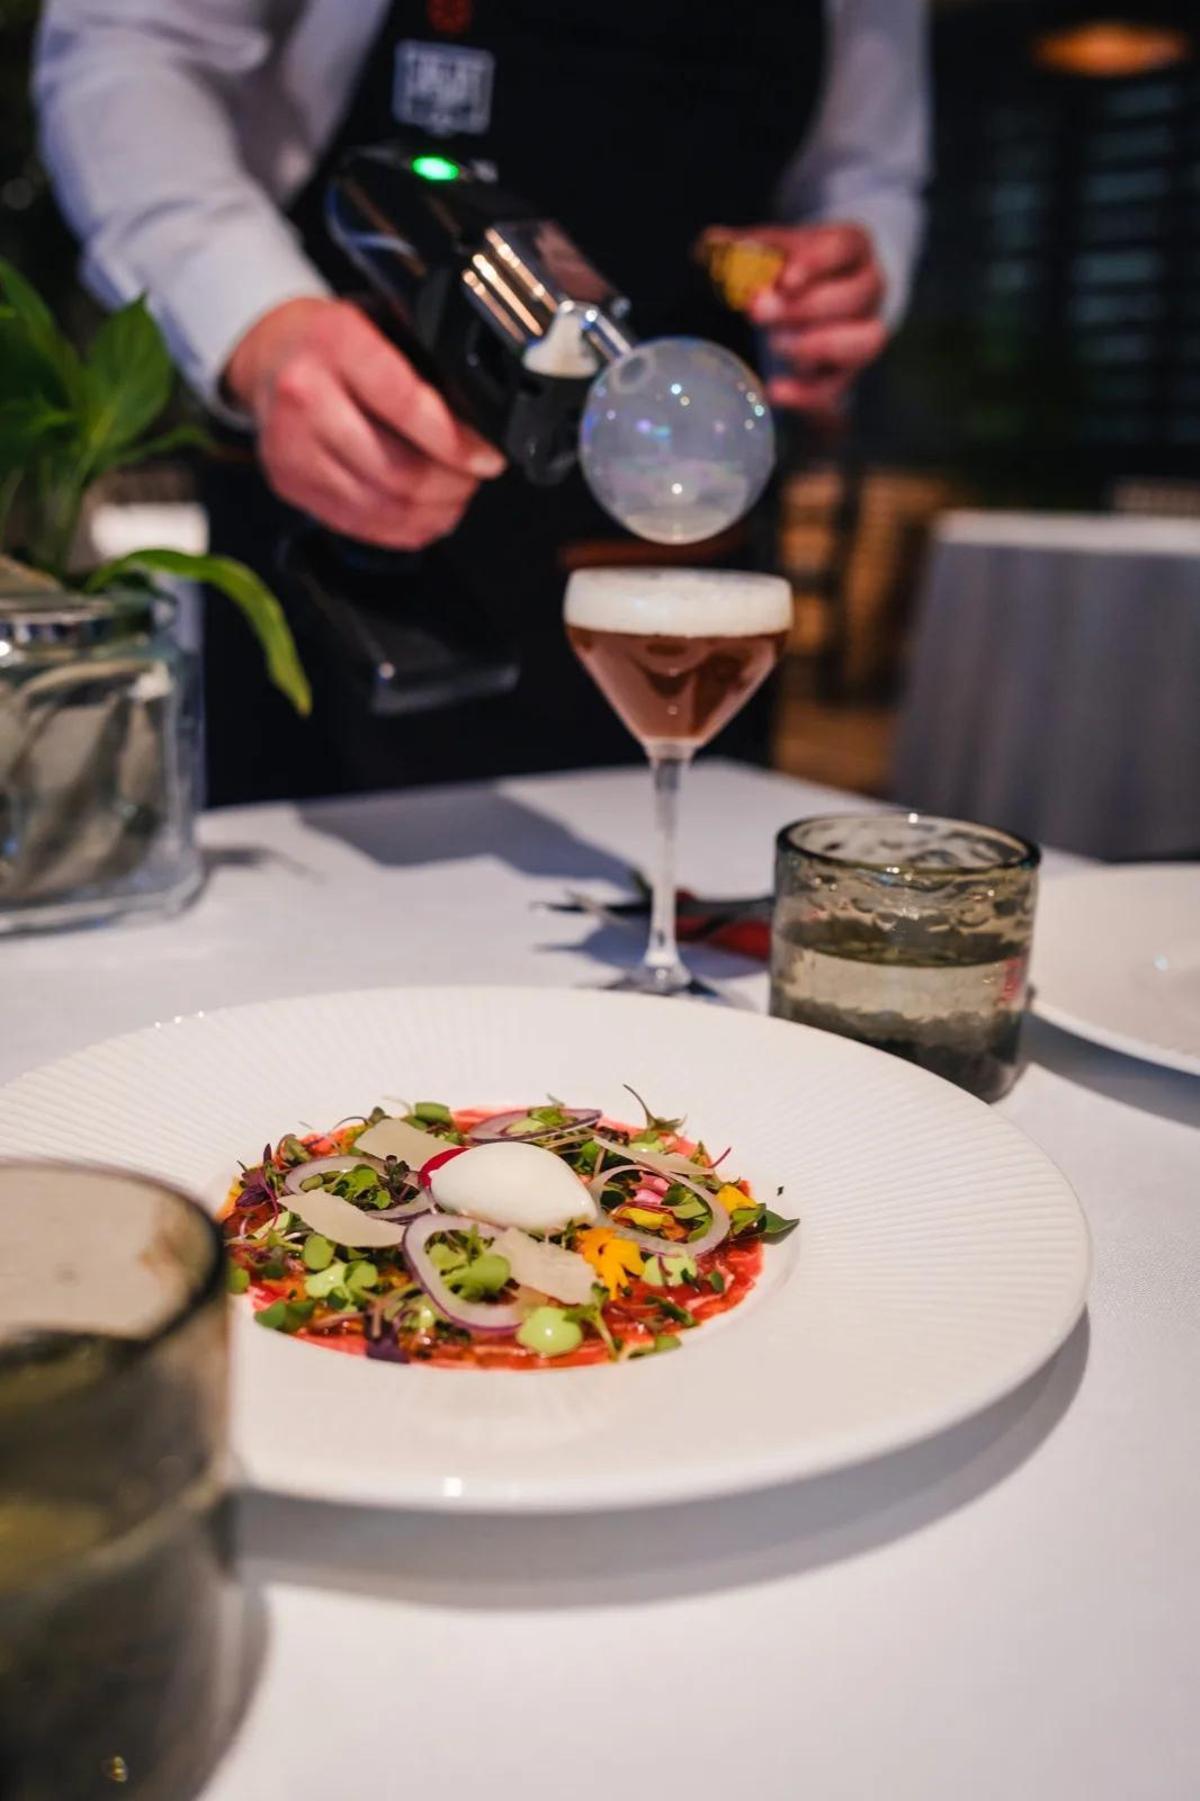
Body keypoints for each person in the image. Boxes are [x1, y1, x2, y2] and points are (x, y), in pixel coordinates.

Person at [35, 0, 929, 803]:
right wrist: (260, 326)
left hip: (670, 519)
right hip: (345, 478)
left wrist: (851, 271)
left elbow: (867, 171)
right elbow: (126, 48)